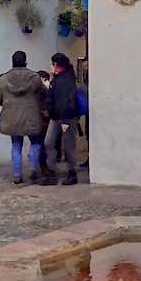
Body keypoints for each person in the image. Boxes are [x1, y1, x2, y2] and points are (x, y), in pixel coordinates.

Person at [0, 51, 46, 185]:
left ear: (12, 62)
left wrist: (8, 105)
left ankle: (17, 174)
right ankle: (34, 169)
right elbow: (44, 94)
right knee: (36, 142)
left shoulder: (4, 79)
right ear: (25, 61)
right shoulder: (34, 78)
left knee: (16, 145)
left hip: (12, 119)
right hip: (32, 117)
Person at [43, 53, 83, 186]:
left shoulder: (67, 80)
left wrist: (65, 120)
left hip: (67, 117)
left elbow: (68, 101)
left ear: (57, 65)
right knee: (49, 142)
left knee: (68, 146)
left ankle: (72, 173)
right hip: (56, 116)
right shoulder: (58, 78)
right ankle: (51, 172)